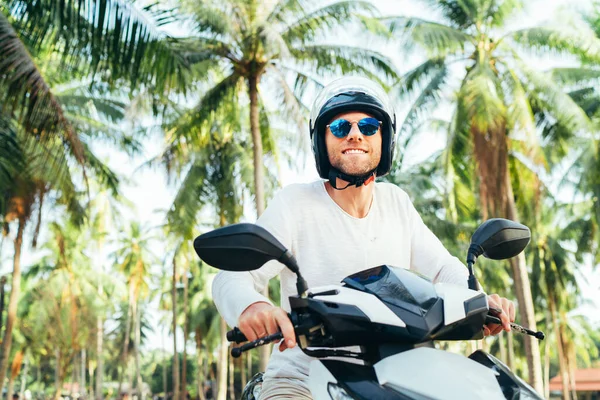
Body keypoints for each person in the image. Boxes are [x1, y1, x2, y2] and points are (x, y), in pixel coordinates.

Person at [212, 76, 516, 399]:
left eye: (369, 126)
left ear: (384, 139)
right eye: (341, 127)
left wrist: (480, 302)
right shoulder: (295, 204)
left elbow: (444, 268)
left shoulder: (396, 203)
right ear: (321, 141)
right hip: (302, 377)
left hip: (394, 376)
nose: (355, 133)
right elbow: (232, 276)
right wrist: (253, 306)